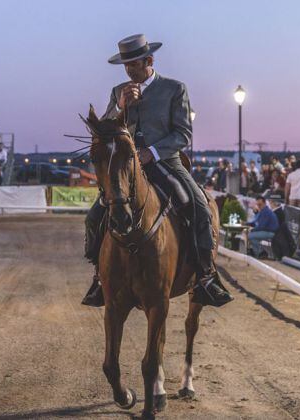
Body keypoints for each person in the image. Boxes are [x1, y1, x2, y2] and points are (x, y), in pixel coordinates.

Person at [82, 34, 233, 308]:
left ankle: (205, 276)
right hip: (127, 168)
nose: (129, 71)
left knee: (198, 206)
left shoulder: (174, 89)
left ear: (149, 61)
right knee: (94, 216)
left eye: (134, 65)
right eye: (126, 66)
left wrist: (150, 153)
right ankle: (98, 277)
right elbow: (103, 128)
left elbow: (183, 134)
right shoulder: (119, 91)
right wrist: (120, 106)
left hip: (165, 162)